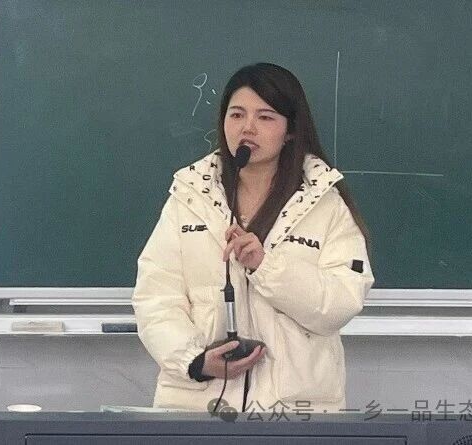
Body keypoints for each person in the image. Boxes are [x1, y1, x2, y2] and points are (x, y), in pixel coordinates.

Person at [132, 63, 374, 413]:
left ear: (291, 130)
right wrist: (195, 360)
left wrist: (266, 267)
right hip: (198, 407)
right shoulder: (190, 198)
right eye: (237, 115)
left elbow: (339, 303)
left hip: (293, 413)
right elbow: (155, 296)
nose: (247, 128)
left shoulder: (325, 205)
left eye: (265, 117)